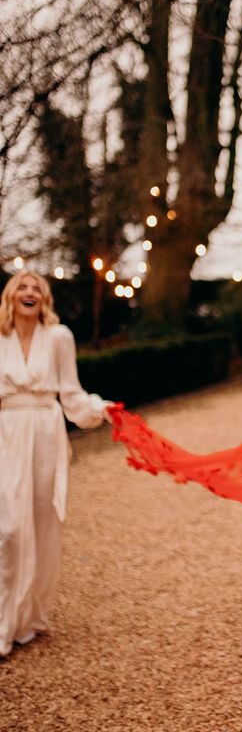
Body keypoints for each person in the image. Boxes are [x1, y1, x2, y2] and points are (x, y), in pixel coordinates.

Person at [0, 271, 112, 657]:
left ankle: (28, 617)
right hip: (7, 436)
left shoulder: (58, 337)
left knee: (42, 524)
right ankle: (2, 623)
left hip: (46, 437)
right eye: (22, 287)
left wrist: (99, 409)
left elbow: (72, 393)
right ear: (10, 296)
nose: (29, 292)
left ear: (44, 299)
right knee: (9, 528)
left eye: (37, 288)